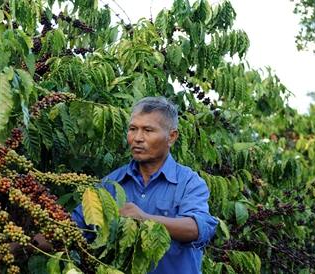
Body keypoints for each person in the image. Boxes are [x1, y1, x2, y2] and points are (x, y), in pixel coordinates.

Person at [72, 96, 218, 274]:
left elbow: (197, 228)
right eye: (133, 129)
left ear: (171, 137)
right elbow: (77, 226)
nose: (137, 138)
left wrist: (144, 218)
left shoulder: (189, 182)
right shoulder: (111, 183)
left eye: (148, 130)